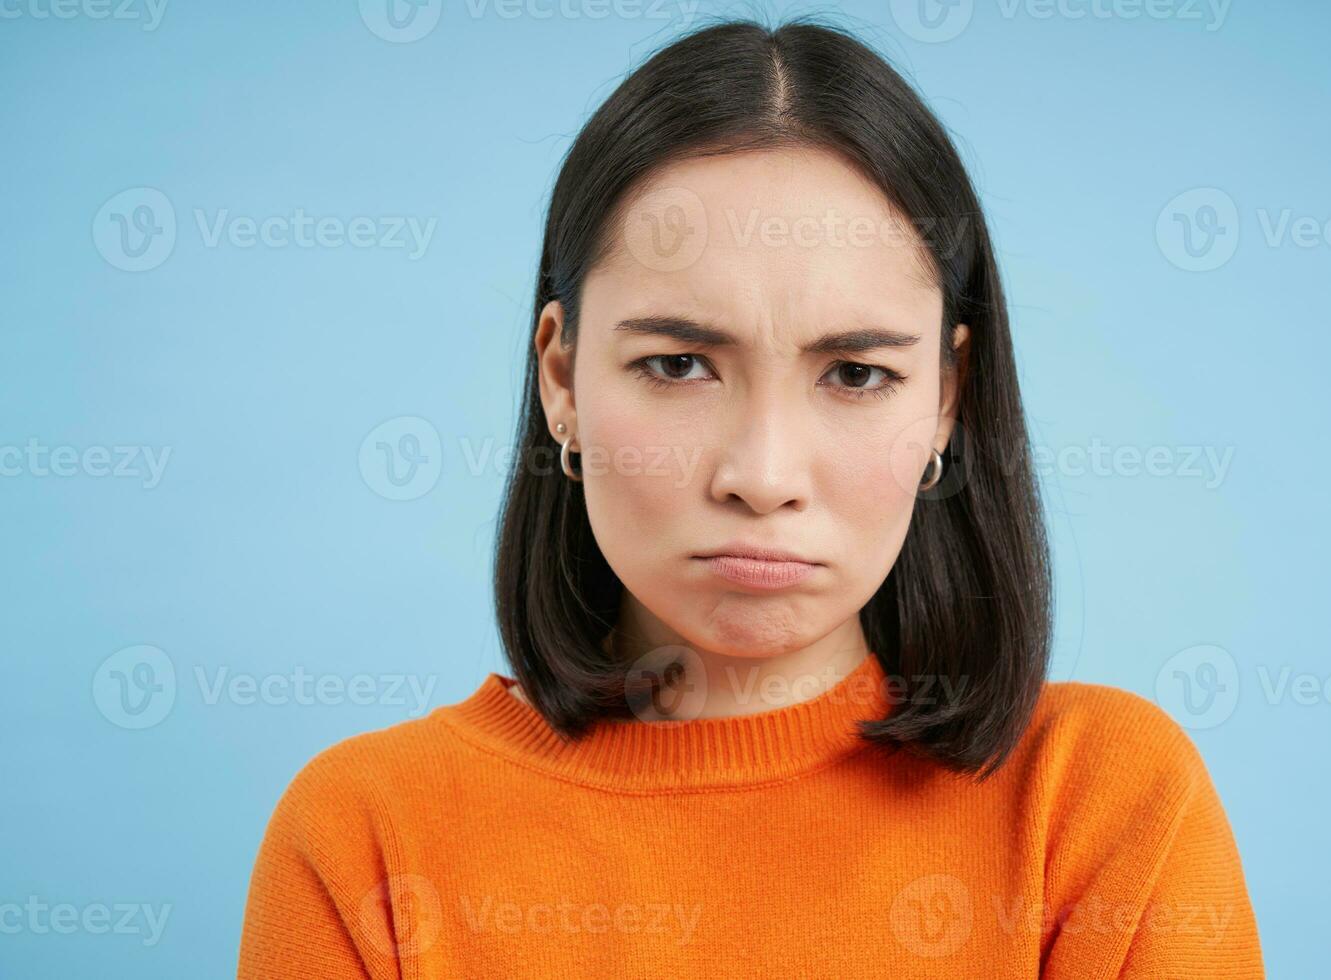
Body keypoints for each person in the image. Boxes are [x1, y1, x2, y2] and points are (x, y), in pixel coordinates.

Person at [238, 17, 1265, 978]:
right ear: (562, 380)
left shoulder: (1098, 807)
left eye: (856, 374)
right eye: (679, 363)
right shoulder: (366, 833)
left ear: (949, 397)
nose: (762, 475)